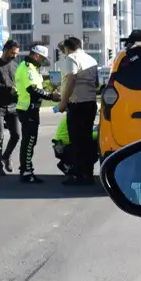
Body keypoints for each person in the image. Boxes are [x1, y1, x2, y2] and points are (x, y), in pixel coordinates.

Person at [57, 36, 100, 186]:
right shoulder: (91, 59)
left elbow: (71, 80)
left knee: (76, 140)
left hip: (77, 104)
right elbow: (96, 83)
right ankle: (88, 173)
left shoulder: (71, 58)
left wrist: (63, 102)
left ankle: (77, 175)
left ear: (67, 48)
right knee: (86, 139)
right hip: (90, 103)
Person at [14, 45, 60, 183]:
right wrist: (50, 96)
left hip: (31, 109)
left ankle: (26, 169)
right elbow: (33, 89)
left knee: (30, 141)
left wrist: (48, 91)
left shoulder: (31, 68)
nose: (43, 62)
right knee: (29, 142)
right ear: (36, 56)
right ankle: (26, 171)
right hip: (27, 109)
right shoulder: (27, 68)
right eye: (42, 59)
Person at [0, 39, 21, 175]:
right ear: (5, 50)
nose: (14, 56)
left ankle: (6, 156)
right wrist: (8, 88)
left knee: (16, 135)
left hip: (12, 106)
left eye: (16, 53)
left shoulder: (15, 66)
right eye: (12, 53)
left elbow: (19, 82)